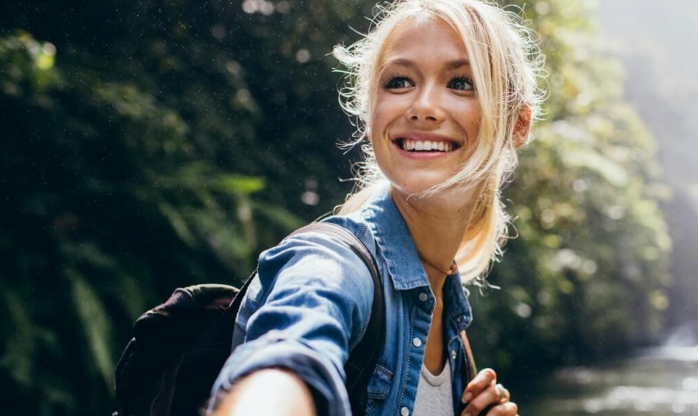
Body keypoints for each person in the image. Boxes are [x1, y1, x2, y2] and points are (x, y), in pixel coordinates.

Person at [207, 0, 543, 415]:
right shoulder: (332, 266)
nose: (422, 107)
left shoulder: (448, 312)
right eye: (400, 81)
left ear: (518, 124)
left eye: (461, 83)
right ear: (371, 115)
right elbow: (289, 354)